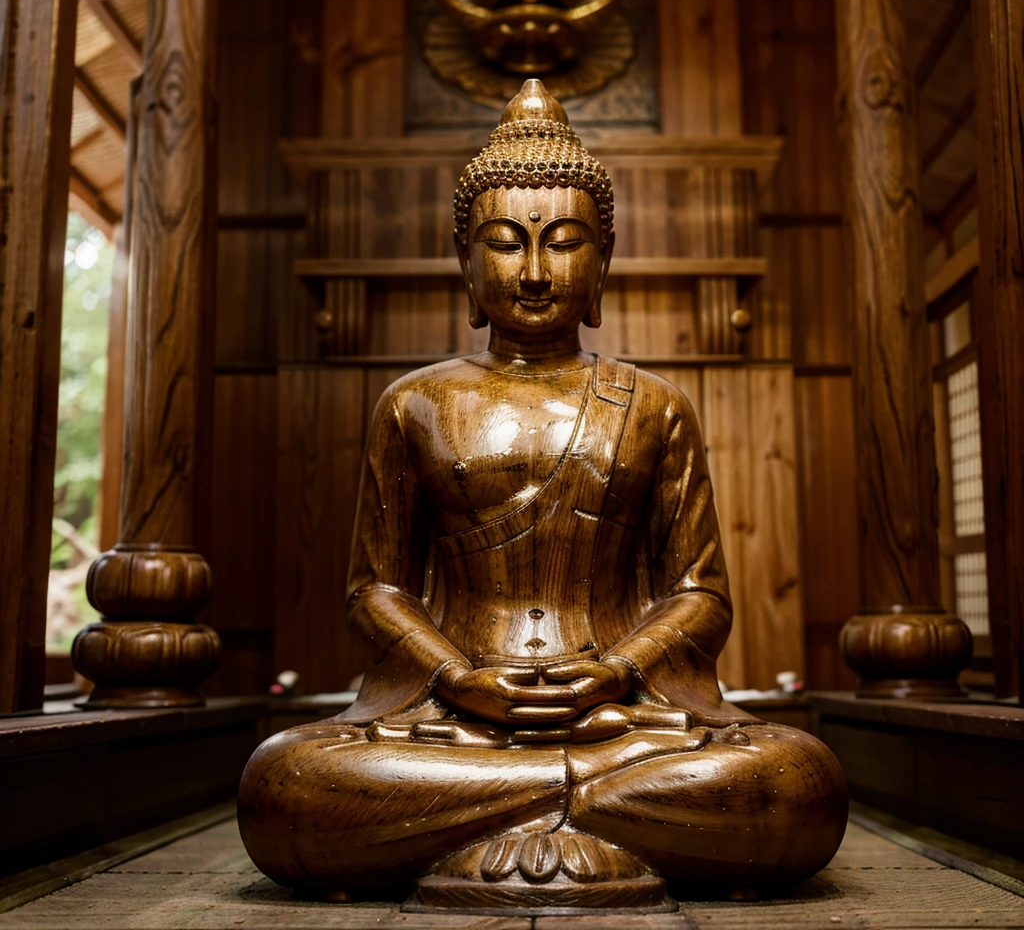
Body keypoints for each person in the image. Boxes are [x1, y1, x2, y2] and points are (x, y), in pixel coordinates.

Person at [237, 80, 847, 910]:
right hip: (456, 721)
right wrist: (457, 679)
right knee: (288, 783)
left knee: (791, 779)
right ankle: (583, 810)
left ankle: (490, 817)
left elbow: (699, 595)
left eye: (563, 243)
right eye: (503, 243)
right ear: (463, 259)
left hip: (619, 717)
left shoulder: (656, 403)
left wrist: (614, 670)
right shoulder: (414, 403)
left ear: (604, 259)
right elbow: (375, 589)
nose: (532, 272)